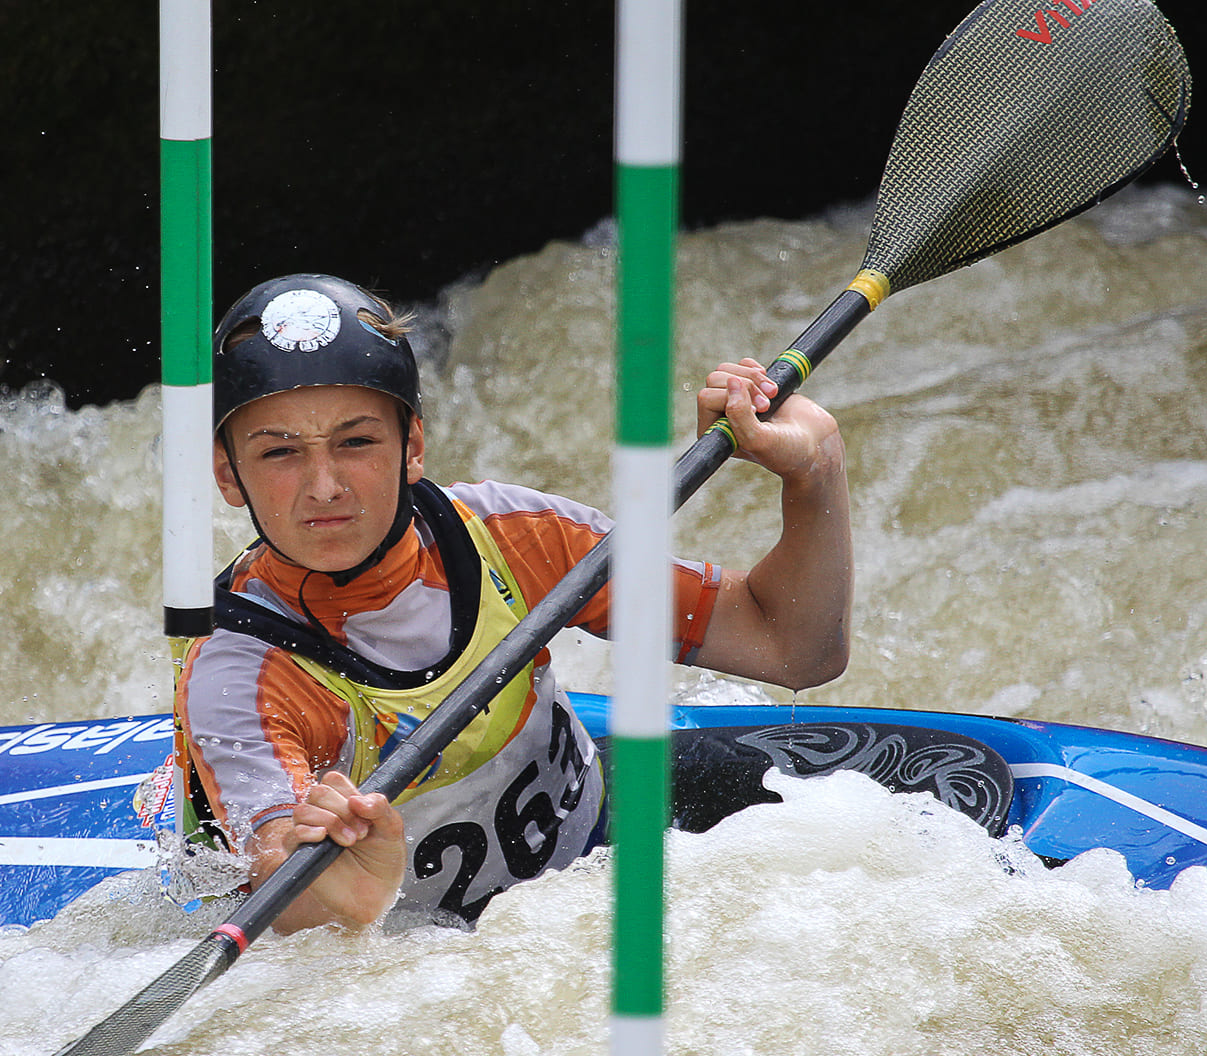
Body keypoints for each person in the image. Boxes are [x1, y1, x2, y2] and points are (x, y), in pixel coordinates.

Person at [170, 272, 851, 934]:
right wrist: (343, 896)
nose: (324, 486)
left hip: (600, 850)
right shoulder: (238, 673)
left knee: (835, 820)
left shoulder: (512, 536)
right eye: (281, 453)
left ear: (412, 447)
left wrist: (814, 469)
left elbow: (793, 646)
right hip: (433, 954)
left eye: (356, 442)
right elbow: (278, 888)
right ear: (228, 474)